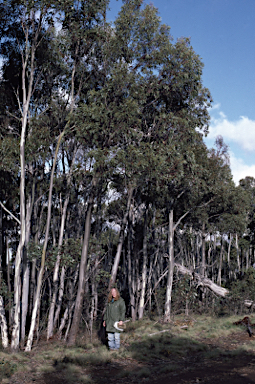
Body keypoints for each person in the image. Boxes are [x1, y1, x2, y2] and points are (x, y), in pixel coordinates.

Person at [103, 287, 126, 351]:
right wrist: (104, 320)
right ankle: (111, 348)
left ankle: (116, 349)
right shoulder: (110, 302)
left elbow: (123, 311)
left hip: (117, 322)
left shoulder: (121, 301)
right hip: (109, 322)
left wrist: (121, 320)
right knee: (110, 337)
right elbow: (106, 312)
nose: (113, 293)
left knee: (117, 337)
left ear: (117, 292)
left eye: (114, 292)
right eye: (112, 292)